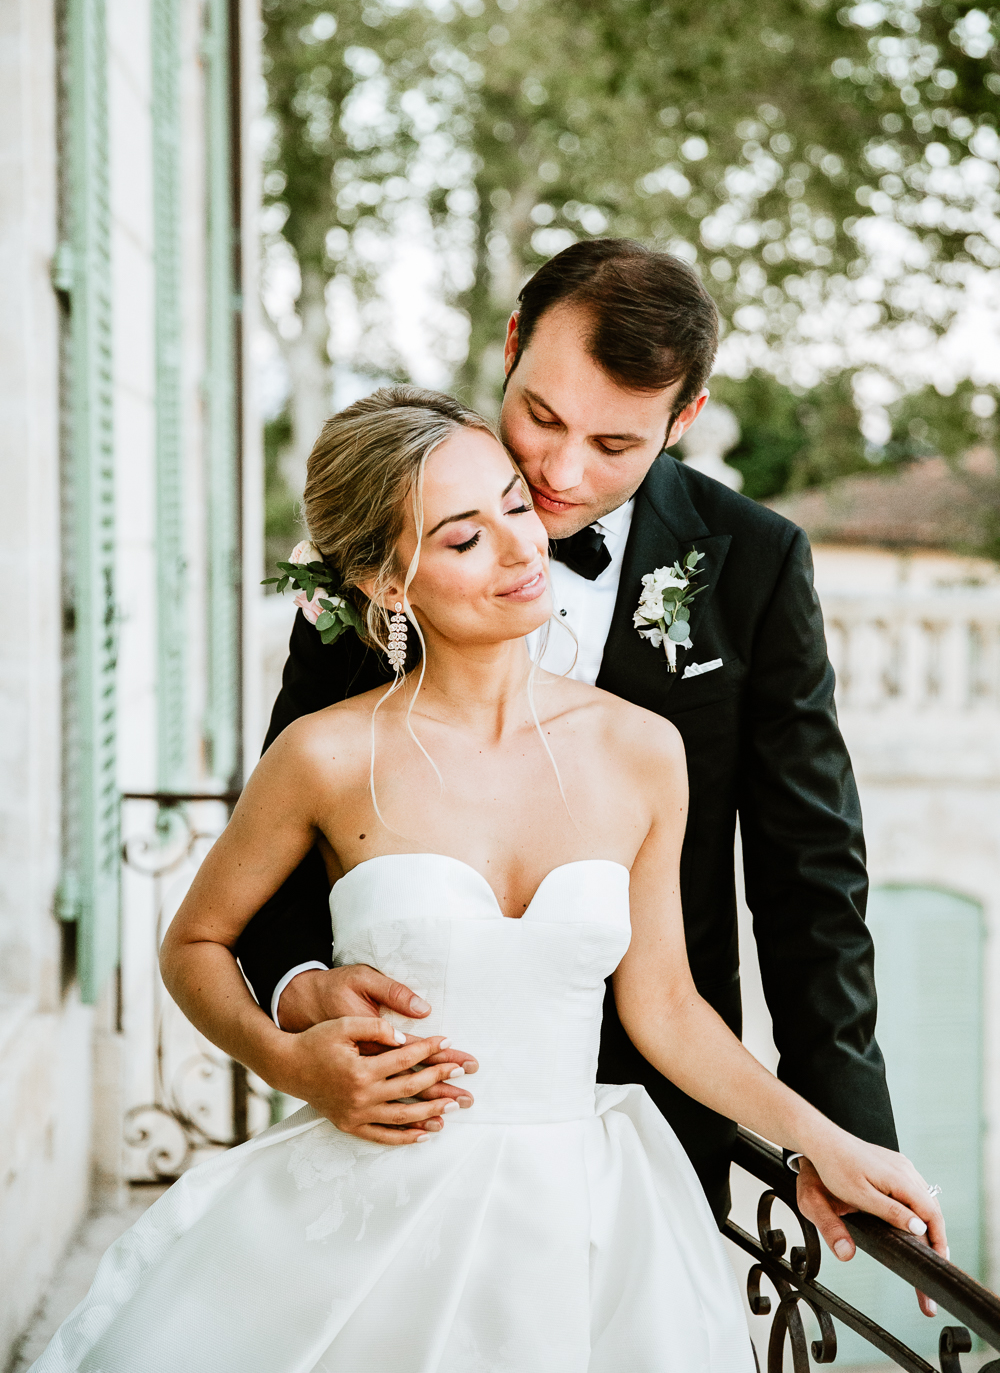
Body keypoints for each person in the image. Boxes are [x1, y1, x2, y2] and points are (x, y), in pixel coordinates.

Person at [31, 389, 945, 1373]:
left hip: (581, 1224)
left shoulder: (642, 750)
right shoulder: (326, 756)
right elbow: (194, 944)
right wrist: (289, 1062)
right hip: (364, 1218)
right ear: (388, 584)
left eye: (515, 505)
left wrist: (823, 1139)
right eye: (465, 538)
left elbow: (667, 1009)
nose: (520, 549)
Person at [236, 238, 901, 1266]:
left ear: (684, 419)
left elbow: (808, 874)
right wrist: (298, 997)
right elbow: (278, 829)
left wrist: (842, 1129)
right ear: (511, 344)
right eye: (541, 418)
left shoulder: (756, 565)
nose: (558, 472)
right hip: (405, 1122)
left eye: (614, 443)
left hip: (656, 1117)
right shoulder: (390, 521)